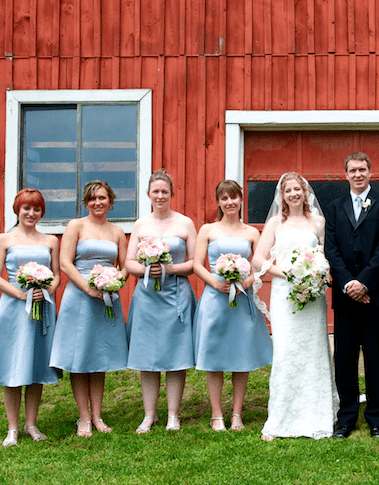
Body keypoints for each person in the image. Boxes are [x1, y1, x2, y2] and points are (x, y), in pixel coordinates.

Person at [253, 172, 338, 440]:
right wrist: (286, 274)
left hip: (313, 296)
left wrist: (317, 272)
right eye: (288, 190)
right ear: (282, 195)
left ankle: (318, 414)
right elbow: (258, 259)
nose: (293, 194)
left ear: (306, 192)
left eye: (297, 189)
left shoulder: (319, 222)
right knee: (287, 351)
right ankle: (281, 418)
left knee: (314, 350)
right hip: (284, 294)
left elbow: (325, 254)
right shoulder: (275, 223)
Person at [324, 152, 379, 439]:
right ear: (345, 175)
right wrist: (347, 284)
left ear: (370, 172)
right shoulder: (335, 207)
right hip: (345, 297)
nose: (358, 174)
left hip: (374, 295)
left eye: (362, 169)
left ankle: (378, 417)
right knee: (344, 357)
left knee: (375, 357)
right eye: (353, 170)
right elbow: (331, 249)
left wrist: (364, 283)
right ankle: (346, 417)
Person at [0, 189, 62, 446]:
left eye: (37, 209)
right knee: (15, 363)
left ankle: (31, 424)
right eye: (26, 208)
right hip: (14, 309)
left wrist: (47, 290)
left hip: (41, 307)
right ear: (17, 209)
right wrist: (20, 294)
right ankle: (13, 428)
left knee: (36, 365)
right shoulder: (3, 239)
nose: (31, 213)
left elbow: (57, 274)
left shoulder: (50, 241)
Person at [50, 180, 129, 438]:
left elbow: (125, 265)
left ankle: (97, 415)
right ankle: (83, 417)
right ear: (86, 202)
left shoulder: (117, 231)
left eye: (103, 198)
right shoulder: (76, 226)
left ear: (110, 201)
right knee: (79, 356)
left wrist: (115, 282)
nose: (98, 203)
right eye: (93, 198)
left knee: (99, 357)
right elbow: (64, 262)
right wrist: (88, 288)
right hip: (80, 297)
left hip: (106, 298)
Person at [193, 180, 272, 432]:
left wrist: (248, 281)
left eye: (234, 197)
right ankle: (217, 414)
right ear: (218, 202)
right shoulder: (207, 230)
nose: (229, 202)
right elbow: (196, 264)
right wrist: (215, 284)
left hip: (243, 298)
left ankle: (237, 413)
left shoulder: (251, 233)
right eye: (224, 198)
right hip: (216, 298)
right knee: (214, 354)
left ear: (241, 200)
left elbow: (259, 265)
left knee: (242, 354)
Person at [125, 170, 197, 433]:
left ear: (172, 194)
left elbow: (194, 262)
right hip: (147, 297)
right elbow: (129, 262)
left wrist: (170, 269)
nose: (160, 196)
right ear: (148, 195)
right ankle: (149, 414)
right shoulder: (140, 225)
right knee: (148, 356)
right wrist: (147, 269)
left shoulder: (185, 223)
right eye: (155, 191)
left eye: (164, 191)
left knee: (176, 355)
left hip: (177, 294)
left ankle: (173, 415)